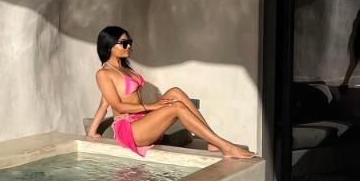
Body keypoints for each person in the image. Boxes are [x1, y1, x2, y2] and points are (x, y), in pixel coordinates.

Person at [84, 24, 256, 159]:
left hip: (143, 121)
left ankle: (212, 142)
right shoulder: (103, 74)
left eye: (130, 42)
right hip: (130, 130)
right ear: (109, 46)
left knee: (175, 92)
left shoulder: (124, 69)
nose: (128, 46)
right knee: (176, 107)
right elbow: (117, 106)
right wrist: (153, 106)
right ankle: (226, 147)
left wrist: (92, 131)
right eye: (124, 43)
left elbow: (103, 103)